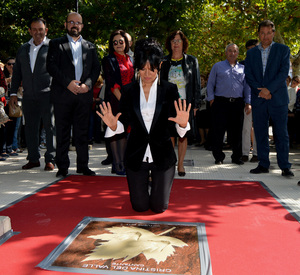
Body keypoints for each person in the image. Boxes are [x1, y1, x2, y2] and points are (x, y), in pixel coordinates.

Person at [98, 38, 191, 213]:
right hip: (136, 156)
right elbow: (123, 124)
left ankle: (156, 186)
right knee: (139, 207)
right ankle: (144, 186)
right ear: (137, 68)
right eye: (142, 69)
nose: (147, 74)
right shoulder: (128, 90)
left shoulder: (169, 90)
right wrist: (112, 126)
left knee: (158, 207)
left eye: (151, 69)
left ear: (159, 67)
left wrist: (184, 124)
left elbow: (177, 125)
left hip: (162, 156)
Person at [46, 12, 101, 177]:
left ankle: (82, 166)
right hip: (63, 94)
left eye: (78, 23)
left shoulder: (90, 47)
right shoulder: (56, 44)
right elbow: (51, 66)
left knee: (82, 132)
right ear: (65, 25)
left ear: (82, 26)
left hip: (83, 95)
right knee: (62, 132)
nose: (74, 25)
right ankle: (63, 167)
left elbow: (96, 69)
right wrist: (68, 83)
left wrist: (88, 85)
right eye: (71, 22)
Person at [245, 20, 293, 177]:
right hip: (259, 99)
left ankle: (285, 166)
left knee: (281, 133)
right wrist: (261, 91)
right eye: (262, 33)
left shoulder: (283, 50)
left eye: (268, 32)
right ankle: (263, 164)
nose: (265, 36)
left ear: (273, 33)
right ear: (258, 34)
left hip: (278, 98)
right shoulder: (251, 53)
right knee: (260, 133)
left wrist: (269, 90)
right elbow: (249, 75)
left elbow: (283, 72)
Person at [9, 18, 55, 171]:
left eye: (40, 29)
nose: (37, 32)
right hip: (28, 95)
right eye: (34, 29)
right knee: (30, 128)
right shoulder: (23, 49)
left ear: (46, 30)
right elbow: (17, 74)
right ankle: (33, 158)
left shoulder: (53, 47)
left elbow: (60, 71)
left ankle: (50, 159)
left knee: (50, 127)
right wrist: (13, 93)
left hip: (48, 94)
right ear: (30, 31)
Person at [161, 30, 201, 176]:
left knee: (183, 135)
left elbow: (196, 83)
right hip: (168, 104)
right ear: (169, 44)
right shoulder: (163, 61)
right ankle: (171, 162)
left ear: (183, 43)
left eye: (178, 40)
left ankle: (181, 164)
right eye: (173, 41)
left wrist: (196, 104)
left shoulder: (191, 60)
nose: (176, 43)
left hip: (185, 104)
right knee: (170, 134)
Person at [206, 43, 251, 165]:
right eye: (230, 51)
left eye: (235, 51)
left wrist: (248, 102)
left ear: (238, 53)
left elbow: (246, 86)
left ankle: (237, 157)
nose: (232, 53)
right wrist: (211, 99)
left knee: (237, 132)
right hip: (220, 103)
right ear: (226, 53)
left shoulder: (243, 69)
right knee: (218, 131)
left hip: (237, 104)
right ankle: (218, 157)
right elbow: (210, 84)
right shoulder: (217, 66)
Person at [102, 30, 134, 175]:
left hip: (129, 100)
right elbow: (111, 83)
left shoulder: (131, 59)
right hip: (115, 101)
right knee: (115, 131)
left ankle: (123, 162)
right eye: (115, 42)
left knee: (126, 130)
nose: (118, 44)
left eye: (121, 41)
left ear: (126, 43)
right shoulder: (108, 59)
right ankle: (117, 164)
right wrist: (123, 100)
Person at [240, 39, 259, 163]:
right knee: (246, 128)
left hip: (261, 99)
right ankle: (245, 153)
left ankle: (257, 154)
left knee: (259, 128)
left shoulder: (264, 63)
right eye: (249, 49)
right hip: (246, 100)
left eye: (254, 48)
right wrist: (248, 101)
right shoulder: (241, 64)